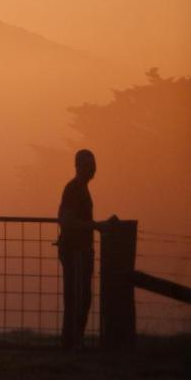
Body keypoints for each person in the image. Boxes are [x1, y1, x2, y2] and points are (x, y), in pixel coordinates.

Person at [56, 149, 114, 350]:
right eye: (89, 165)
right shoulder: (73, 189)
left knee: (82, 297)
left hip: (81, 250)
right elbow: (66, 220)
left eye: (94, 164)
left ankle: (74, 339)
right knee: (77, 298)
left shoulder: (80, 188)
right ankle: (73, 341)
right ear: (78, 166)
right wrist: (95, 226)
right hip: (75, 251)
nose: (93, 169)